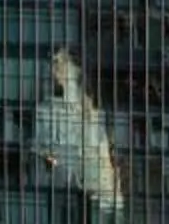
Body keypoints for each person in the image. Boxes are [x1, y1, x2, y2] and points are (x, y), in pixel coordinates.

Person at [31, 47, 124, 220]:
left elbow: (106, 153)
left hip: (95, 192)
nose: (55, 68)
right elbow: (40, 151)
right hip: (64, 190)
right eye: (54, 63)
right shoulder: (45, 110)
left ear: (76, 68)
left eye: (61, 62)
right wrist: (58, 161)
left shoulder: (94, 111)